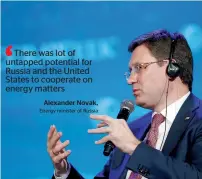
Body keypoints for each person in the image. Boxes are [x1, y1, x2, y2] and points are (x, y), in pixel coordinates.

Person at [47, 29, 202, 179]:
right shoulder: (133, 130)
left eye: (139, 68)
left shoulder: (198, 120)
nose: (130, 79)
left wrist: (135, 148)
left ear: (171, 68)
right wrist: (63, 172)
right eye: (130, 71)